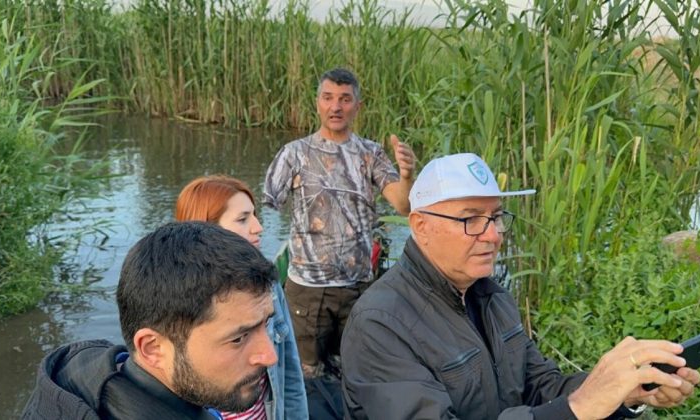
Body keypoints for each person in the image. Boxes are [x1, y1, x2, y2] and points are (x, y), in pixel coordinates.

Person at [340, 153, 700, 419]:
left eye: (495, 216)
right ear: (419, 225)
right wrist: (578, 407)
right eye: (470, 219)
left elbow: (540, 387)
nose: (493, 235)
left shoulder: (490, 296)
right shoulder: (380, 324)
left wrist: (622, 393)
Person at [22, 222, 280, 419]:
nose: (269, 356)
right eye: (238, 338)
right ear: (152, 348)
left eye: (265, 324)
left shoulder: (88, 376)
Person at [263, 68, 416, 377]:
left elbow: (403, 205)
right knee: (306, 375)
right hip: (307, 290)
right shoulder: (294, 153)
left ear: (357, 106)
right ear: (317, 103)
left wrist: (407, 174)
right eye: (328, 98)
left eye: (345, 99)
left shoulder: (370, 153)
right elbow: (267, 208)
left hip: (357, 287)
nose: (336, 107)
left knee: (355, 371)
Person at [175, 175, 308, 419]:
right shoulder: (175, 301)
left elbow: (289, 372)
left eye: (254, 215)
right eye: (243, 219)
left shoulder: (265, 286)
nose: (258, 227)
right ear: (207, 230)